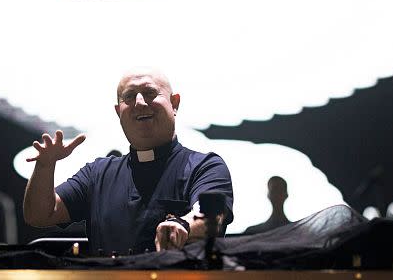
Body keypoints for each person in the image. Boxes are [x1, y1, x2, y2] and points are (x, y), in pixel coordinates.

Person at [23, 68, 234, 254]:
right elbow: (40, 215)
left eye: (150, 93)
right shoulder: (97, 174)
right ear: (118, 111)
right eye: (129, 96)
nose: (140, 103)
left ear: (174, 103)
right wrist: (44, 166)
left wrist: (183, 224)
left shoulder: (205, 167)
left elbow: (212, 215)